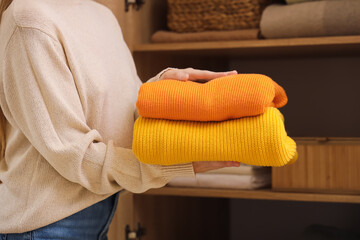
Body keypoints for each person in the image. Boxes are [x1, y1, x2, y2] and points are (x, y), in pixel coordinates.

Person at [0, 0, 240, 239]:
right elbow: (74, 155)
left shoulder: (103, 15)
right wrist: (169, 165)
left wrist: (158, 89)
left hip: (100, 214)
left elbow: (125, 117)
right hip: (44, 229)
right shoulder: (28, 20)